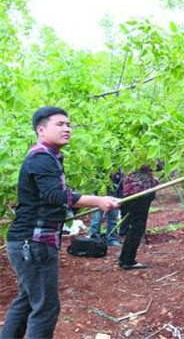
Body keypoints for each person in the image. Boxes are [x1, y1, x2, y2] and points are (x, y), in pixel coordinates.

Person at [1, 106, 119, 339]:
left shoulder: (48, 156)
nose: (67, 129)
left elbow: (55, 194)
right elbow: (54, 195)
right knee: (45, 307)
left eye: (68, 124)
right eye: (60, 124)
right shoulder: (42, 157)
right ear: (41, 130)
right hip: (33, 242)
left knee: (27, 299)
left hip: (28, 241)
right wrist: (97, 201)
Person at [118, 165, 159, 270]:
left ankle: (125, 258)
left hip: (133, 195)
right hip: (139, 196)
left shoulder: (130, 158)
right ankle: (128, 261)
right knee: (137, 228)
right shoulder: (141, 154)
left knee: (135, 227)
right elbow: (158, 166)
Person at [88, 168, 124, 246]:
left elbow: (120, 183)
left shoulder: (118, 168)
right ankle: (93, 239)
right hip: (98, 197)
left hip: (113, 196)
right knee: (96, 219)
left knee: (113, 220)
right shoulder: (98, 167)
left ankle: (111, 239)